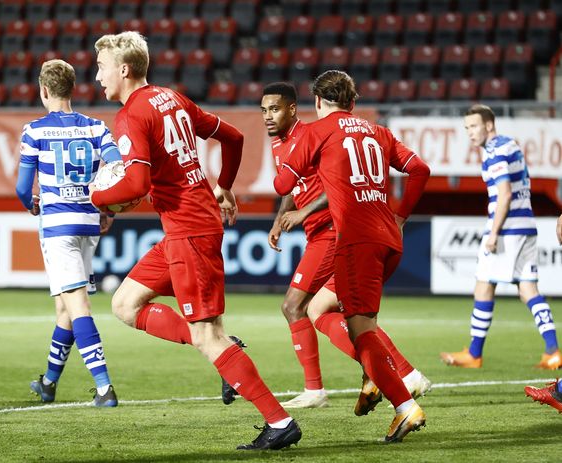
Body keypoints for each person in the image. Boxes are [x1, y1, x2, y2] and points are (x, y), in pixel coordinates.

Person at [89, 31, 301, 451]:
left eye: (101, 68)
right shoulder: (172, 98)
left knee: (208, 335)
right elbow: (234, 138)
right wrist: (224, 186)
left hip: (189, 231)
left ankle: (279, 422)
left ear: (124, 69)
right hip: (186, 228)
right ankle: (228, 350)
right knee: (125, 304)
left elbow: (136, 181)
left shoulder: (132, 115)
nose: (98, 77)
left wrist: (97, 198)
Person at [273, 70, 431, 442]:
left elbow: (283, 184)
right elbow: (419, 170)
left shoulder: (316, 131)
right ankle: (383, 380)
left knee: (360, 332)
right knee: (331, 312)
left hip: (356, 240)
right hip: (389, 239)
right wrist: (402, 214)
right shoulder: (378, 131)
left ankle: (405, 404)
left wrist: (296, 159)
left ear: (316, 102)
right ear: (353, 102)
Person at [15, 59, 120, 407]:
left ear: (44, 91)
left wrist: (31, 203)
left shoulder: (35, 131)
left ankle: (104, 388)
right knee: (65, 307)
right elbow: (117, 167)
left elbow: (21, 188)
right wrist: (107, 208)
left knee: (77, 305)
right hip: (89, 223)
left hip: (57, 227)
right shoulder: (96, 128)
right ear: (73, 90)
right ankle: (48, 383)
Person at [440, 104, 560, 370]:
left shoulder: (494, 152)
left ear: (489, 125)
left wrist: (494, 232)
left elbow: (504, 193)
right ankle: (552, 351)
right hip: (526, 224)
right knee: (528, 290)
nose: (470, 133)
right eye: (466, 128)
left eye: (473, 126)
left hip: (508, 229)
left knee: (483, 285)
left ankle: (474, 353)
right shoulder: (510, 144)